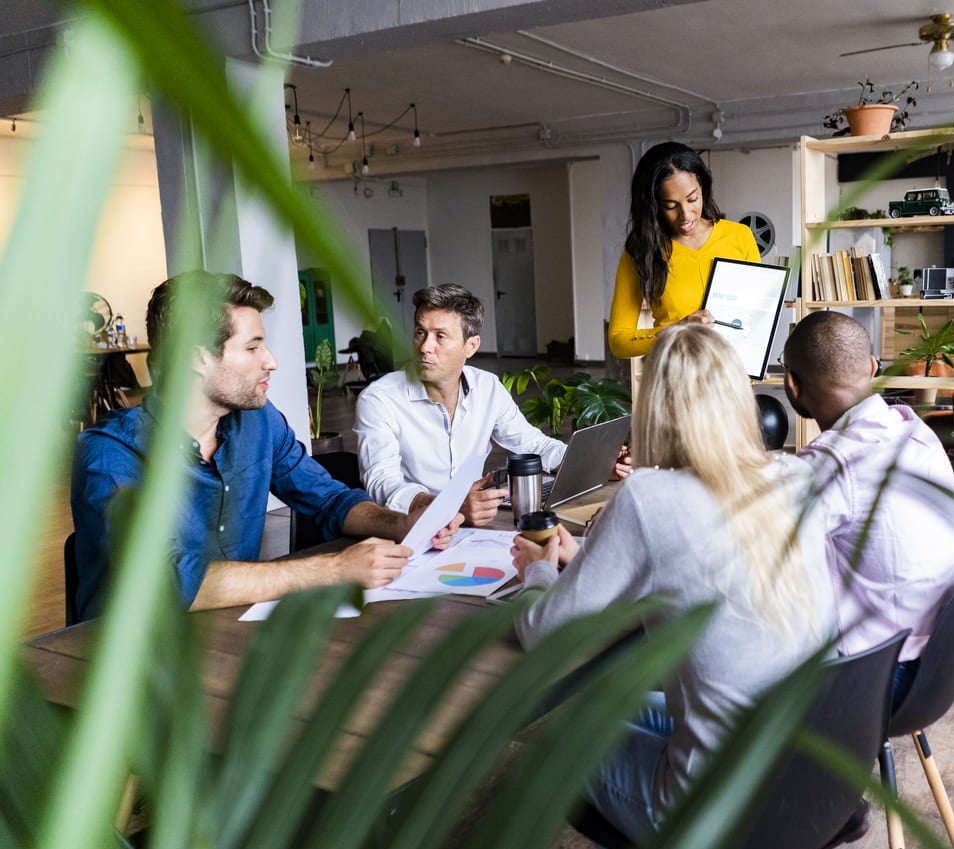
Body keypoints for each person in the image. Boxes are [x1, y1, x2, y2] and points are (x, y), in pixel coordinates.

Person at [511, 323, 835, 840]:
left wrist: (537, 572)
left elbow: (544, 634)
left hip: (717, 801)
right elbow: (703, 574)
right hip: (809, 772)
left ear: (654, 406)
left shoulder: (649, 496)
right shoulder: (797, 477)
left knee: (556, 740)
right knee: (612, 701)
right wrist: (597, 564)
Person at [70, 271, 459, 623]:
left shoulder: (257, 421)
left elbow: (326, 499)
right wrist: (331, 570)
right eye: (253, 348)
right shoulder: (110, 455)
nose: (271, 361)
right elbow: (167, 583)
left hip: (225, 633)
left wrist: (401, 522)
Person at [782, 311, 954, 705]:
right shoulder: (915, 429)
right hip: (941, 662)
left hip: (883, 680)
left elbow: (751, 547)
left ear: (792, 386)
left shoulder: (830, 464)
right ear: (871, 367)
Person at [355, 283, 630, 528]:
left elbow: (533, 444)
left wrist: (595, 464)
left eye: (440, 336)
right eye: (420, 332)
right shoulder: (379, 398)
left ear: (471, 346)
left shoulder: (486, 388)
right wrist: (446, 507)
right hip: (406, 531)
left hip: (474, 527)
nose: (425, 346)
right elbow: (384, 483)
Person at [607, 142, 761, 359]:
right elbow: (618, 341)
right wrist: (679, 329)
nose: (686, 215)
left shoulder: (739, 236)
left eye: (692, 199)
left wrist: (758, 353)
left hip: (732, 381)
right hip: (676, 380)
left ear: (703, 188)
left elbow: (757, 316)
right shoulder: (642, 251)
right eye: (670, 206)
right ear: (653, 205)